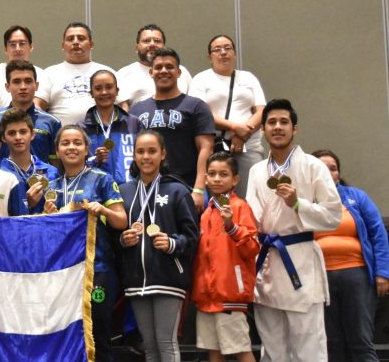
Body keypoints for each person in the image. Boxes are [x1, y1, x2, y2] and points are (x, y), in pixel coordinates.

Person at [244, 99, 342, 361]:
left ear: (294, 129)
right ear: (262, 129)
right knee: (272, 349)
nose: (277, 127)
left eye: (284, 122)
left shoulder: (313, 166)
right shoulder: (256, 170)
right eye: (271, 122)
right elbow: (251, 219)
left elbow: (333, 216)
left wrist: (298, 204)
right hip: (267, 265)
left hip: (300, 262)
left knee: (308, 348)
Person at [42, 125, 127, 362]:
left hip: (97, 270)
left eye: (77, 143)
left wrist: (104, 211)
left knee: (98, 333)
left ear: (87, 149)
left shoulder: (101, 179)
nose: (71, 148)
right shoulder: (52, 187)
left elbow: (121, 221)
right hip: (63, 272)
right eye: (65, 143)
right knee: (66, 335)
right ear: (57, 150)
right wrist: (48, 216)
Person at [118, 130, 199, 362]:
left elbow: (193, 236)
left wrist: (172, 243)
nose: (146, 157)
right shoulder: (124, 191)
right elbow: (115, 235)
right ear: (134, 155)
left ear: (163, 154)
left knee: (166, 343)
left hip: (169, 277)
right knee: (150, 346)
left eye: (152, 151)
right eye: (140, 151)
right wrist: (123, 240)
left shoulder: (178, 190)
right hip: (136, 281)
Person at [312, 149, 389, 362]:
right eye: (322, 168)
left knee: (360, 340)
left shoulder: (356, 197)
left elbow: (378, 234)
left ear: (339, 174)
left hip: (356, 275)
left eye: (333, 168)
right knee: (331, 342)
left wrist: (383, 273)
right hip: (320, 279)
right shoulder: (303, 201)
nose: (329, 172)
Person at [191, 152, 259, 362]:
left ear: (235, 179)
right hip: (206, 296)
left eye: (224, 174)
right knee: (214, 351)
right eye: (212, 174)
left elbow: (252, 248)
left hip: (230, 295)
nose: (217, 179)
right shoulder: (206, 212)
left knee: (241, 349)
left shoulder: (240, 207)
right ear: (205, 178)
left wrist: (232, 227)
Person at [130, 48, 214, 210]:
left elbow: (206, 148)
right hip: (146, 189)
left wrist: (199, 189)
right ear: (151, 72)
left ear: (179, 72)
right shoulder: (136, 109)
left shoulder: (196, 106)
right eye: (158, 67)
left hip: (186, 187)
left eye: (169, 67)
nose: (164, 71)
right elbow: (130, 151)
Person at [189, 35, 266, 198]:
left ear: (235, 53)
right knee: (217, 199)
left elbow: (261, 111)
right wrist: (234, 127)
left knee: (251, 197)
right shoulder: (201, 79)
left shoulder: (248, 78)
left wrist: (242, 135)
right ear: (209, 56)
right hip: (215, 148)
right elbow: (201, 114)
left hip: (248, 146)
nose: (223, 52)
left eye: (227, 48)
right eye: (217, 49)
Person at [38, 22, 115, 125]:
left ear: (91, 44)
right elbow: (37, 106)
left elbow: (122, 106)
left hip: (101, 132)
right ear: (63, 45)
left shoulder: (107, 72)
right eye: (70, 39)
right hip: (61, 133)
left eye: (81, 38)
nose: (75, 42)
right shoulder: (49, 73)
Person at [0, 59, 61, 165]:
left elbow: (56, 163)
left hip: (40, 175)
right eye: (16, 82)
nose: (23, 87)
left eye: (28, 81)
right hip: (1, 175)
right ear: (7, 87)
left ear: (36, 85)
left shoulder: (52, 122)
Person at [80, 70, 140, 185]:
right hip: (97, 190)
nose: (104, 92)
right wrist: (95, 160)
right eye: (98, 88)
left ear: (117, 91)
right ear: (91, 93)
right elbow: (77, 165)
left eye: (109, 87)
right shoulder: (82, 129)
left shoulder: (133, 123)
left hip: (130, 188)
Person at [116, 24, 194, 108]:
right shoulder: (124, 74)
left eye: (157, 41)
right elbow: (122, 112)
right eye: (146, 41)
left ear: (164, 46)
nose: (152, 44)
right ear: (137, 47)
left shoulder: (182, 71)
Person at [0, 109, 59, 213]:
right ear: (3, 138)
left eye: (23, 132)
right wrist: (26, 205)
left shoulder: (51, 172)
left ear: (32, 134)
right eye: (12, 133)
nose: (18, 137)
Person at [0, 25, 49, 104]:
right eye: (12, 44)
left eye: (22, 44)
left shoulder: (43, 75)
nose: (17, 49)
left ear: (31, 47)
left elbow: (37, 106)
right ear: (5, 49)